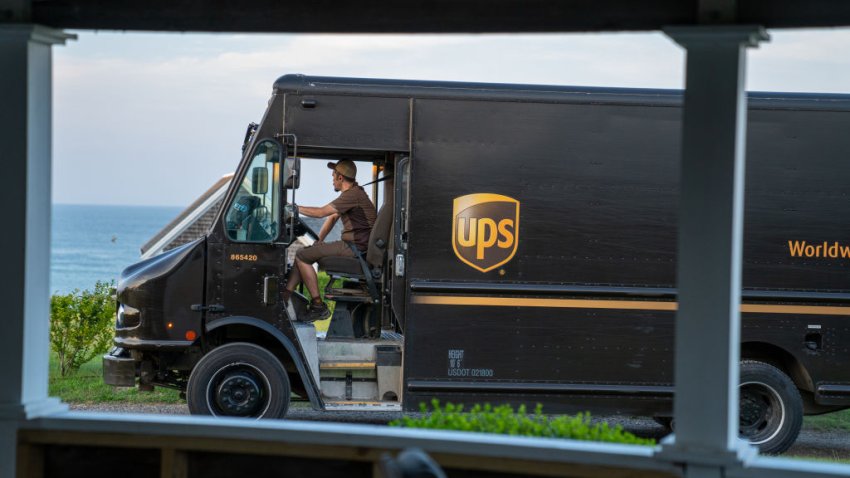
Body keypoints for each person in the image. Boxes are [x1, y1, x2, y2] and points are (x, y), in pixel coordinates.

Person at [283, 159, 377, 321]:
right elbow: (332, 217)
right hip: (354, 245)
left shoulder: (352, 195)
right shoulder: (352, 194)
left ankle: (318, 306)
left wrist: (293, 208)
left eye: (333, 175)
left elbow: (321, 213)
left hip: (354, 247)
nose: (332, 179)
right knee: (304, 254)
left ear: (340, 178)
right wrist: (319, 241)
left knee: (301, 255)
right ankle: (285, 297)